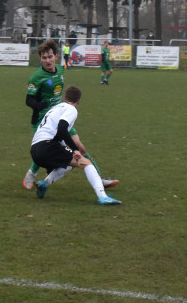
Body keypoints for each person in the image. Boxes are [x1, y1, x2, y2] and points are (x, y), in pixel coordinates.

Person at [23, 39, 118, 190]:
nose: (47, 60)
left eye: (50, 56)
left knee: (80, 147)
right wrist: (40, 105)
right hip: (43, 120)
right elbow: (29, 100)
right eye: (44, 57)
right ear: (40, 58)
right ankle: (31, 174)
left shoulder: (60, 70)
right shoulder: (36, 77)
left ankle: (99, 179)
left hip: (61, 117)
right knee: (46, 148)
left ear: (56, 56)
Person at [31, 85, 121, 206]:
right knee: (85, 162)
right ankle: (102, 196)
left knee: (70, 164)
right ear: (79, 100)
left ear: (64, 97)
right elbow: (62, 128)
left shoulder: (56, 108)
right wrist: (75, 149)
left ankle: (44, 184)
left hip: (35, 150)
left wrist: (68, 149)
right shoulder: (71, 109)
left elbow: (57, 134)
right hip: (47, 146)